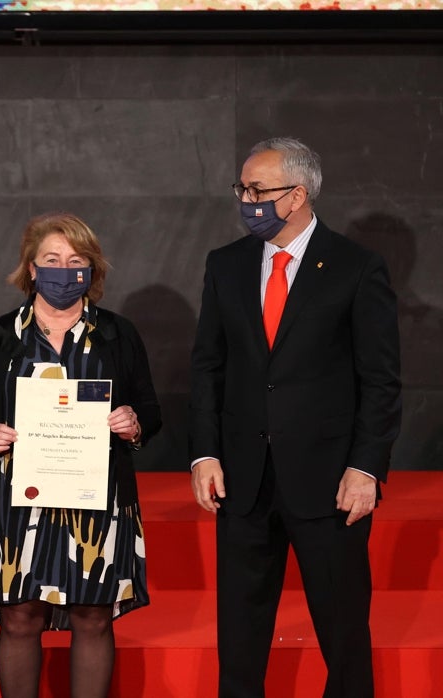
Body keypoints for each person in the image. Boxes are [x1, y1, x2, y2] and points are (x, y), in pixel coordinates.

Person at [189, 137, 401, 697]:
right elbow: (208, 366)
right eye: (242, 188)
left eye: (258, 190)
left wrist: (366, 467)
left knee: (343, 633)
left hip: (330, 483)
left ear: (297, 195)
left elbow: (380, 381)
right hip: (242, 479)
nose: (246, 199)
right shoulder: (226, 265)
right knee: (239, 636)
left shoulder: (357, 268)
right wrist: (205, 452)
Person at [0, 213, 161, 698]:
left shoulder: (118, 334)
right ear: (30, 268)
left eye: (77, 261)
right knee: (20, 617)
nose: (64, 270)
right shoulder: (0, 336)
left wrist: (134, 423)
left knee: (93, 617)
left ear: (92, 270)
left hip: (97, 499)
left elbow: (150, 410)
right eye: (52, 260)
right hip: (18, 497)